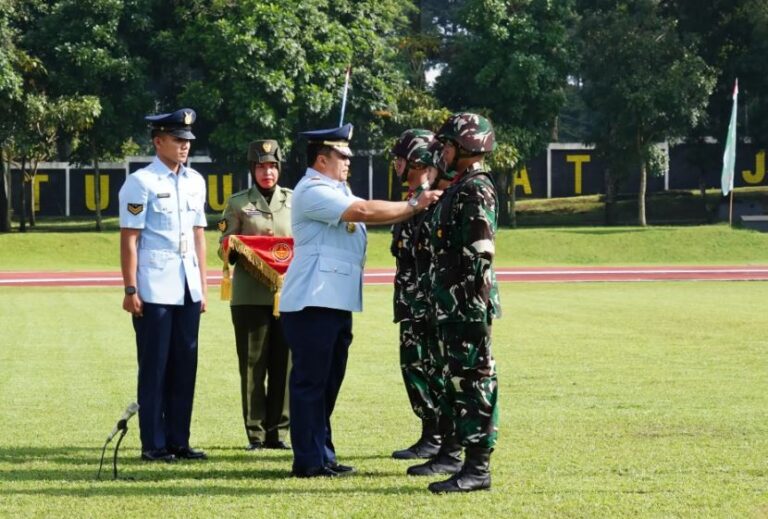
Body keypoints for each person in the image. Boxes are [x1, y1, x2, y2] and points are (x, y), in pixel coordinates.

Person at [278, 123, 442, 478]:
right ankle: (308, 460)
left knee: (328, 383)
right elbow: (365, 212)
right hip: (312, 301)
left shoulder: (335, 187)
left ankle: (322, 453)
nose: (348, 161)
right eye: (342, 155)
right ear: (321, 159)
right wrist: (415, 204)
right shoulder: (313, 190)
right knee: (311, 384)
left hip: (333, 301)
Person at [413, 112, 501, 493]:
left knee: (475, 382)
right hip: (452, 304)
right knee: (457, 383)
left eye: (447, 145)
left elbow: (480, 252)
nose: (442, 153)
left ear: (465, 147)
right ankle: (465, 461)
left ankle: (478, 468)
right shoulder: (458, 186)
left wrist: (467, 303)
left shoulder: (476, 189)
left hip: (467, 305)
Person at [118, 108, 208, 462]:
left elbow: (198, 233)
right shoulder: (141, 182)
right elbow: (129, 239)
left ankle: (178, 440)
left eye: (187, 140)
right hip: (154, 285)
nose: (184, 146)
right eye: (177, 139)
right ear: (158, 142)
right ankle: (153, 443)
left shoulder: (195, 181)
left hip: (187, 284)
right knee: (155, 366)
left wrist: (201, 284)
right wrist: (130, 289)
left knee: (185, 364)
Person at [218, 139, 293, 451]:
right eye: (262, 166)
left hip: (287, 294)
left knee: (284, 366)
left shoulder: (293, 201)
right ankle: (257, 434)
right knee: (252, 367)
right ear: (253, 169)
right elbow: (223, 246)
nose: (268, 172)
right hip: (249, 296)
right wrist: (232, 247)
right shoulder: (238, 203)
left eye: (272, 166)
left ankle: (281, 433)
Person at [389, 129, 444, 460]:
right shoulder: (412, 201)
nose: (396, 163)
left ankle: (436, 434)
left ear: (418, 160)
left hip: (426, 305)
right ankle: (430, 432)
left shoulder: (430, 202)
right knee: (414, 367)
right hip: (412, 302)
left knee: (428, 368)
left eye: (402, 157)